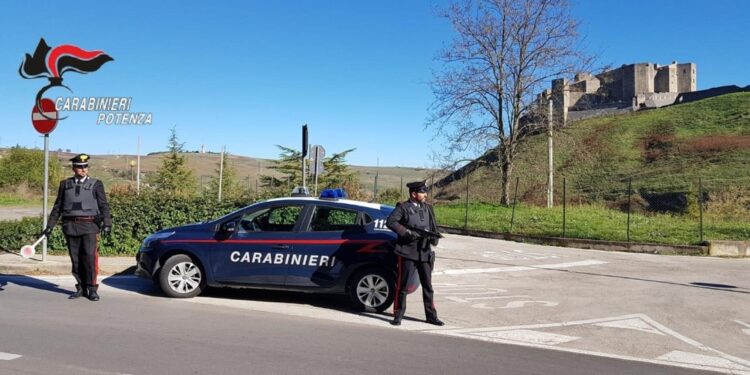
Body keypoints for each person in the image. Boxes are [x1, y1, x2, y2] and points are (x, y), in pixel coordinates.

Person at [42, 153, 112, 301]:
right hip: (70, 226)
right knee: (76, 260)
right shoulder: (65, 184)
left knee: (90, 258)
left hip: (89, 226)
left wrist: (107, 223)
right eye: (80, 167)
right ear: (74, 168)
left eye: (85, 167)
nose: (83, 169)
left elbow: (103, 205)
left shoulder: (96, 183)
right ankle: (80, 288)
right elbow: (57, 207)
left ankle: (92, 289)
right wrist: (50, 226)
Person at [386, 180, 443, 326]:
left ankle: (431, 316)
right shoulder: (403, 207)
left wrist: (434, 238)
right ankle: (398, 315)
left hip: (424, 252)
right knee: (402, 286)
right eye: (423, 192)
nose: (425, 195)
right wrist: (406, 233)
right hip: (407, 251)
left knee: (428, 286)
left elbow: (433, 226)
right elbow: (391, 222)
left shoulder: (428, 208)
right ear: (413, 193)